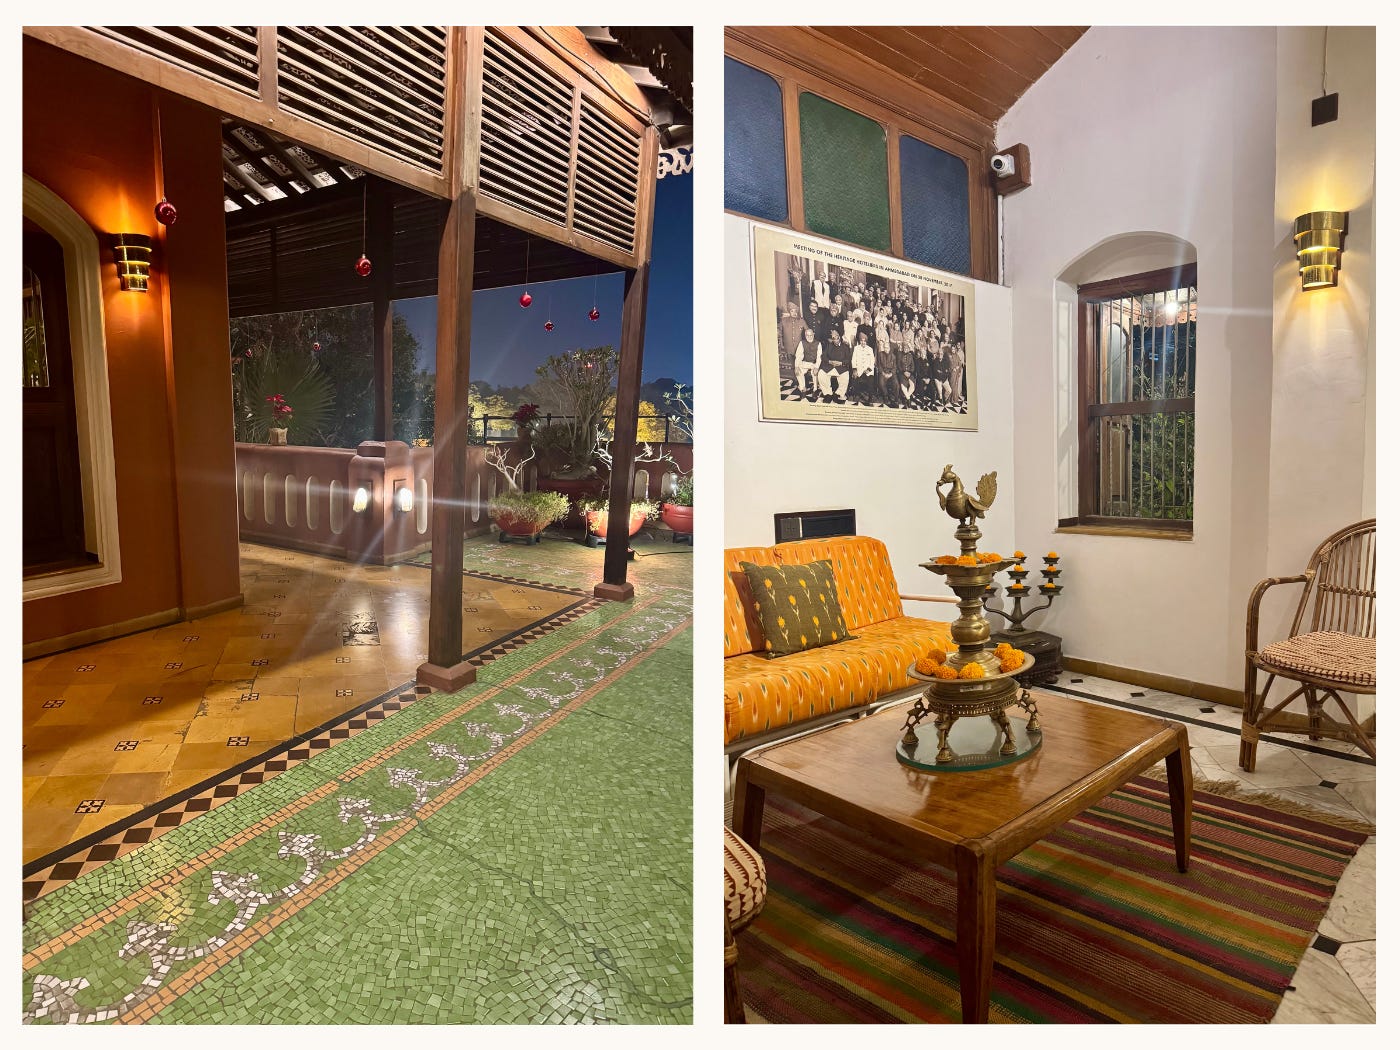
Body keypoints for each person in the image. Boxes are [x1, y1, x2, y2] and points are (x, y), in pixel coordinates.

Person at [818, 331, 852, 403]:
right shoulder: (829, 345)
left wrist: (841, 363)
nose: (835, 340)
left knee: (845, 376)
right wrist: (829, 361)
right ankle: (828, 393)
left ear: (839, 338)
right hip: (830, 366)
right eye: (834, 338)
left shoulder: (845, 346)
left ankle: (838, 393)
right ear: (832, 339)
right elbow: (823, 356)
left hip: (840, 367)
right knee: (821, 374)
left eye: (837, 338)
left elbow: (848, 358)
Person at [793, 326, 822, 399]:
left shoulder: (818, 343)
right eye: (807, 335)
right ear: (805, 335)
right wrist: (796, 367)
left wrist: (816, 367)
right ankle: (803, 389)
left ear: (813, 334)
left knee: (814, 372)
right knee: (798, 371)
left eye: (811, 335)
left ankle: (815, 389)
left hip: (814, 363)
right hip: (805, 362)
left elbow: (819, 357)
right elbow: (798, 356)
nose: (809, 337)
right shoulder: (802, 343)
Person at [849, 331, 876, 405]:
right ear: (860, 341)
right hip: (859, 370)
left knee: (871, 380)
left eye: (864, 341)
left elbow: (872, 361)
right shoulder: (856, 348)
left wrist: (869, 369)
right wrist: (854, 370)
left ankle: (870, 396)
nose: (863, 342)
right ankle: (857, 394)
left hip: (868, 370)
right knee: (854, 378)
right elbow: (853, 360)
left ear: (866, 341)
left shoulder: (870, 349)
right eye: (861, 341)